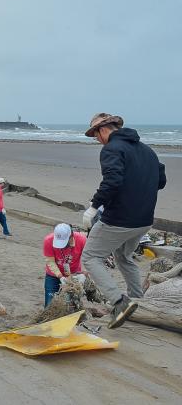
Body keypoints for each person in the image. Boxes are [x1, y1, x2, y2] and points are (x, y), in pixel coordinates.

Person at [80, 113, 166, 328]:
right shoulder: (148, 151)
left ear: (103, 129)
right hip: (145, 220)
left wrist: (92, 207)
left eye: (95, 135)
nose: (96, 140)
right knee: (124, 256)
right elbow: (161, 181)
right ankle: (137, 299)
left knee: (90, 257)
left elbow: (112, 181)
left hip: (119, 219)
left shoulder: (111, 149)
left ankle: (120, 302)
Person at [44, 223, 87, 307]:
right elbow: (50, 261)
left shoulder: (82, 240)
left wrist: (84, 273)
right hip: (53, 275)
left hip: (74, 274)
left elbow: (90, 259)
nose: (62, 247)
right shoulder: (48, 240)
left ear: (71, 236)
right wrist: (60, 276)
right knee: (50, 304)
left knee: (71, 304)